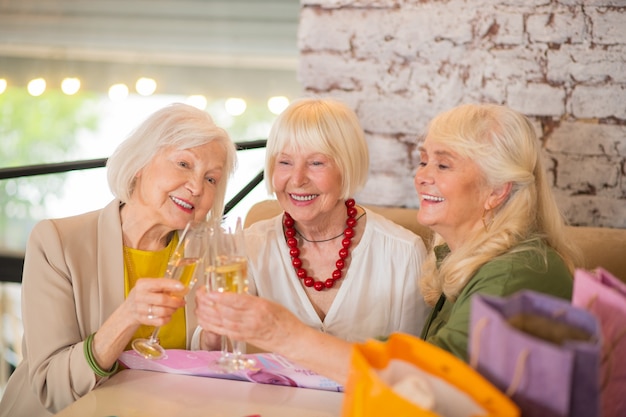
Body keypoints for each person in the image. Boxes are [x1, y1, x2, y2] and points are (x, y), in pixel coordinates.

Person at [195, 102, 580, 385]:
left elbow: (434, 381)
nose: (422, 177)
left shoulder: (518, 270)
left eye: (442, 165)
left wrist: (284, 333)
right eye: (424, 160)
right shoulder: (459, 260)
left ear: (497, 191)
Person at [0, 103, 237, 417]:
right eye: (183, 163)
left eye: (211, 179)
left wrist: (211, 343)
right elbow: (52, 386)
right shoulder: (58, 242)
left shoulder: (210, 255)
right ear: (140, 164)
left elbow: (199, 373)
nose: (196, 187)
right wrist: (127, 316)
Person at [195, 97, 429, 351]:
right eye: (284, 162)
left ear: (347, 166)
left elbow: (413, 365)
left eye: (316, 163)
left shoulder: (403, 252)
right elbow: (213, 352)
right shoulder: (247, 246)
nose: (297, 179)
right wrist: (213, 335)